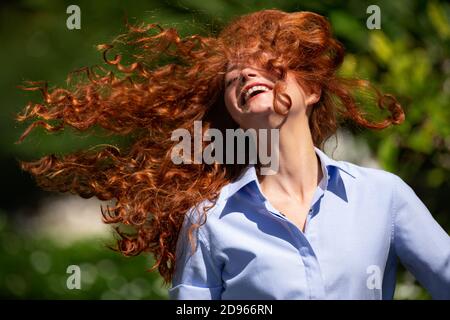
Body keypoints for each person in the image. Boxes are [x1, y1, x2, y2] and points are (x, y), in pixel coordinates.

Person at [16, 9, 450, 300]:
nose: (246, 75)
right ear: (233, 111)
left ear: (312, 89)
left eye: (268, 66)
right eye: (234, 77)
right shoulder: (209, 219)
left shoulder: (383, 195)